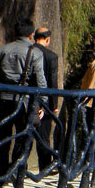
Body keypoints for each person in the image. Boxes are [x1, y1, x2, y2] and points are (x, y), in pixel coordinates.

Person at [0, 18, 47, 180]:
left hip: (3, 98)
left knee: (2, 136)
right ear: (32, 34)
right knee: (24, 135)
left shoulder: (1, 50)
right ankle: (16, 170)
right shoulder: (36, 53)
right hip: (25, 101)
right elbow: (41, 81)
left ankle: (1, 173)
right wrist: (42, 102)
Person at [33, 26, 60, 172]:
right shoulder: (51, 56)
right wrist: (54, 104)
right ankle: (44, 167)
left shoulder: (28, 51)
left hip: (27, 98)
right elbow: (53, 82)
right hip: (45, 101)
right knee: (43, 136)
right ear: (47, 39)